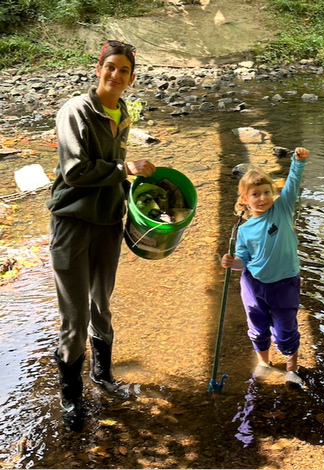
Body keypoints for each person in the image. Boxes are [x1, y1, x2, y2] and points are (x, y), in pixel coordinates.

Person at [46, 40, 156, 427]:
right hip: (72, 224)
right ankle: (71, 398)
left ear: (130, 77)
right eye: (110, 67)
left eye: (124, 70)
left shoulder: (122, 112)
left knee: (101, 306)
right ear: (98, 68)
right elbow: (75, 171)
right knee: (75, 318)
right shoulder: (75, 111)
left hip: (109, 223)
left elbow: (114, 170)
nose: (116, 75)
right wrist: (125, 168)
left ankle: (102, 375)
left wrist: (143, 202)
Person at [221, 147, 309, 385]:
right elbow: (242, 261)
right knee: (258, 328)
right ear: (244, 200)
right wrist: (232, 263)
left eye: (267, 192)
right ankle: (264, 363)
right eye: (256, 194)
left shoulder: (282, 209)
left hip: (285, 283)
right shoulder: (243, 230)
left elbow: (292, 184)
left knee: (285, 330)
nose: (262, 198)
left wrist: (297, 162)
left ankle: (292, 369)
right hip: (253, 285)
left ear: (274, 193)